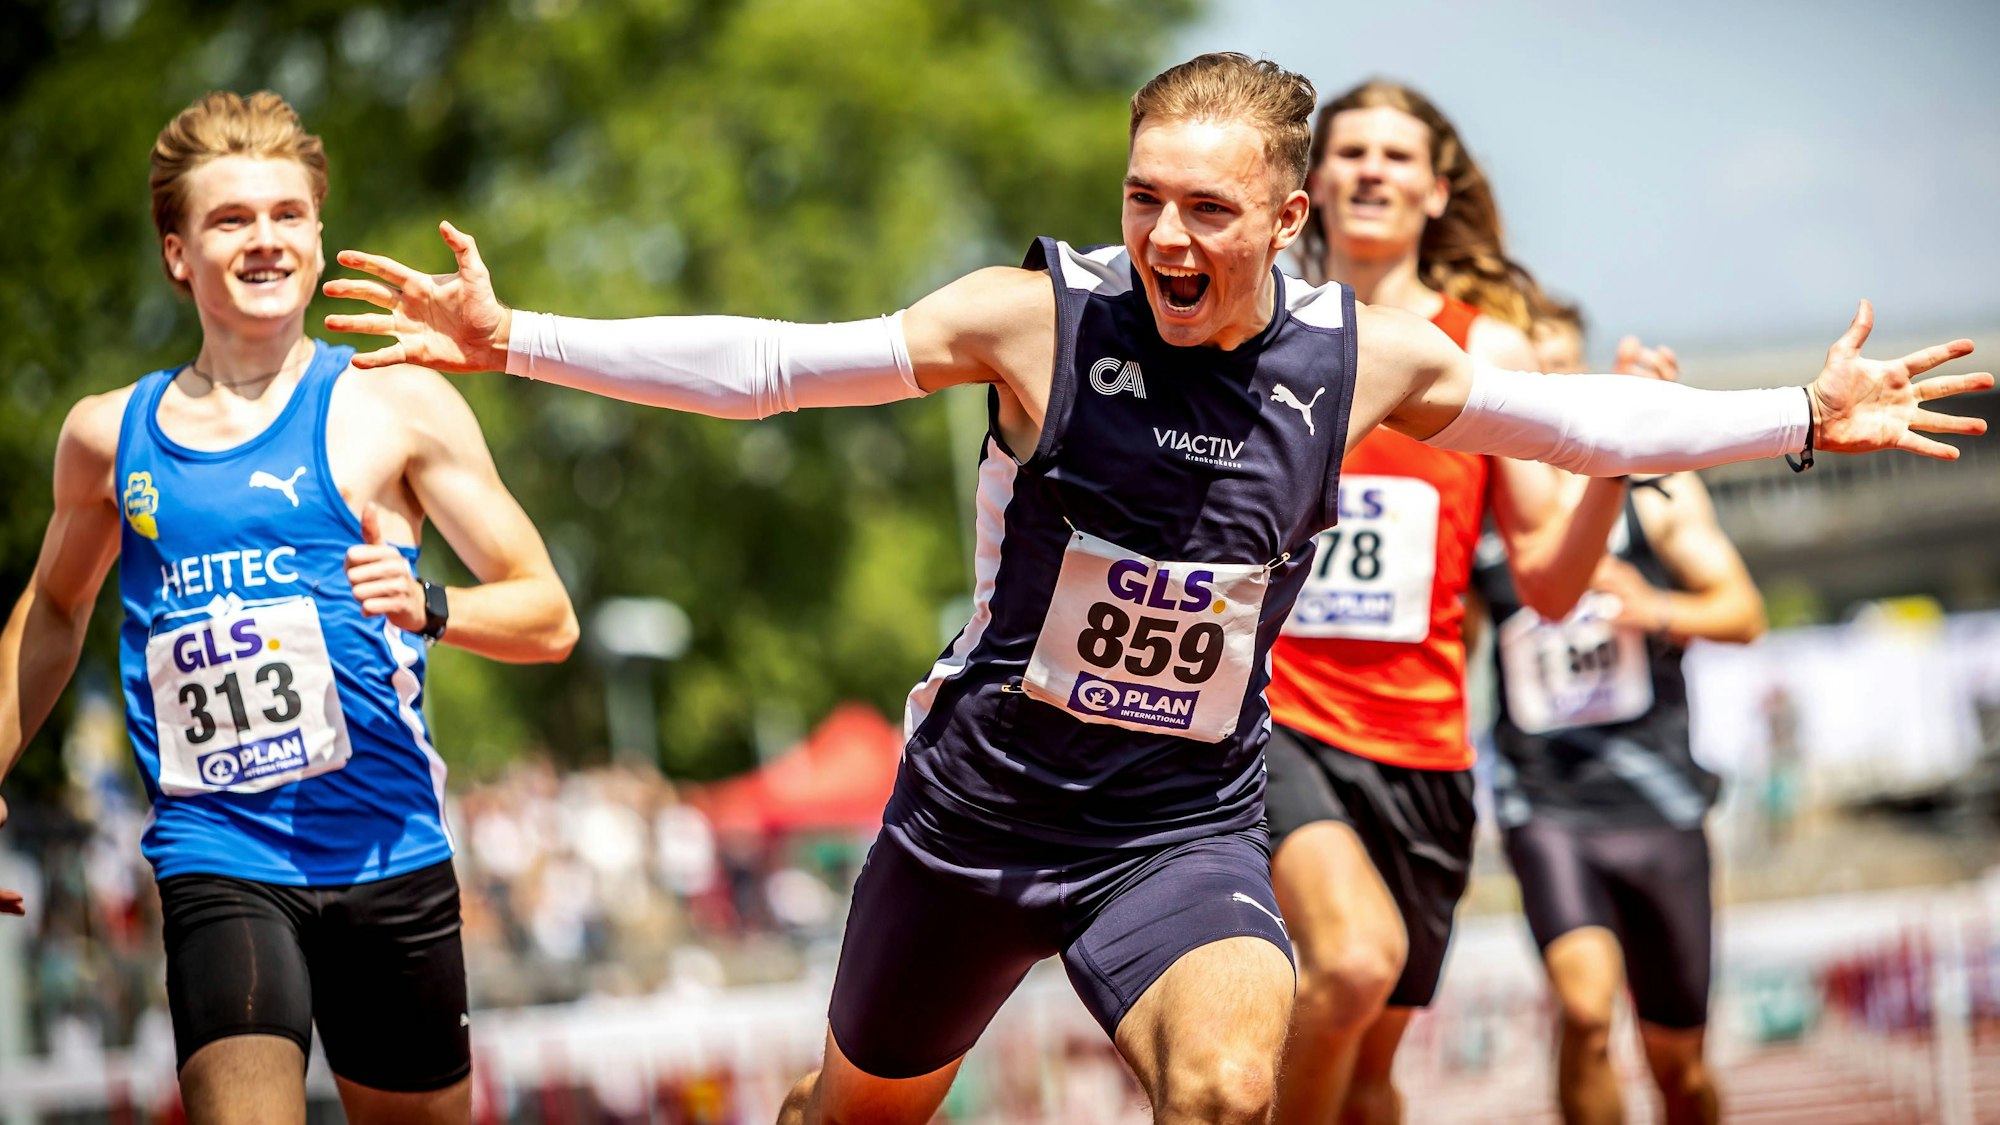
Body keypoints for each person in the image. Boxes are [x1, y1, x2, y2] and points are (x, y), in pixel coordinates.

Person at [321, 52, 1986, 1125]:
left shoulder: (1363, 354)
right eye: (1143, 201)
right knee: (853, 1117)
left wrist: (1800, 419)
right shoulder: (1036, 320)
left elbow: (1581, 418)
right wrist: (517, 338)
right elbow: (770, 367)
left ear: (1287, 213)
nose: (1168, 237)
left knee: (1232, 1089)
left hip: (1177, 829)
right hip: (972, 815)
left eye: (1208, 209)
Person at [0, 91, 578, 1124]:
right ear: (178, 254)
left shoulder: (396, 406)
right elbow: (52, 607)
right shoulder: (107, 437)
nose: (263, 239)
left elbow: (548, 614)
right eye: (230, 219)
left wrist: (432, 603)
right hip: (219, 852)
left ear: (317, 237)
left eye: (285, 215)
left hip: (388, 852)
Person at [1260, 79, 1674, 1125]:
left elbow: (1543, 577)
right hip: (1278, 722)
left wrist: (1616, 457)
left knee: (1366, 1078)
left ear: (1434, 191)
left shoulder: (1486, 351)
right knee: (1348, 965)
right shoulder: (1258, 326)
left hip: (1426, 757)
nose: (1367, 171)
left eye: (1394, 156)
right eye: (1346, 151)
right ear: (1309, 183)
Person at [1473, 301, 1759, 1125]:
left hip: (1658, 795)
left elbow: (1742, 611)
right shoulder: (1488, 506)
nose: (1551, 384)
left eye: (1565, 364)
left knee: (1680, 1066)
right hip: (1544, 798)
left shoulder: (1657, 486)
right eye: (1533, 370)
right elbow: (1444, 640)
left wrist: (1654, 608)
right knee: (1587, 1011)